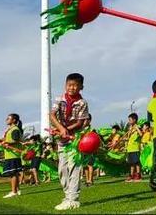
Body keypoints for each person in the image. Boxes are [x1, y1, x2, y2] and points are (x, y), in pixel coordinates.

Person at [50, 72, 90, 210]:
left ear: (81, 87)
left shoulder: (82, 103)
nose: (71, 88)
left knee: (74, 167)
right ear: (65, 85)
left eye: (75, 85)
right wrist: (61, 129)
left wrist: (66, 130)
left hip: (75, 139)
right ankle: (67, 196)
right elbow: (52, 115)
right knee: (62, 169)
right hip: (62, 139)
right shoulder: (59, 98)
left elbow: (80, 122)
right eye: (69, 85)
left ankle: (73, 199)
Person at [0, 113, 23, 198]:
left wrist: (6, 142)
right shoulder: (10, 129)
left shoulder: (15, 129)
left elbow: (16, 140)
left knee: (13, 173)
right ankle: (17, 190)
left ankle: (14, 191)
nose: (6, 119)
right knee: (14, 173)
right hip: (10, 154)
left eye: (8, 118)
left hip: (13, 155)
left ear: (14, 120)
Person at [124, 113, 142, 182]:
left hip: (135, 148)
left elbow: (141, 134)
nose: (129, 121)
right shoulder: (130, 128)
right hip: (130, 148)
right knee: (131, 163)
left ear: (134, 120)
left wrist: (136, 128)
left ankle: (138, 175)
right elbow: (128, 138)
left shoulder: (138, 126)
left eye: (130, 120)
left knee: (136, 162)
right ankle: (131, 175)